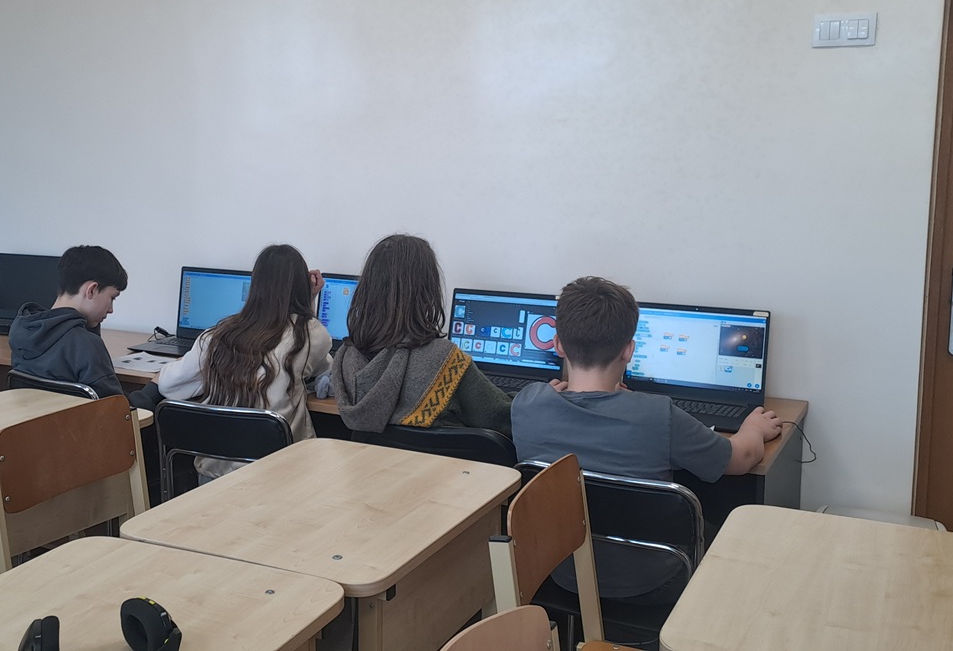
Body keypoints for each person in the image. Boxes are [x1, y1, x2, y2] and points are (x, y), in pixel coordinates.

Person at [512, 276, 783, 604]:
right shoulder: (657, 415)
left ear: (557, 345)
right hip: (651, 582)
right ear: (629, 350)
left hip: (562, 572)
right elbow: (741, 459)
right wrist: (753, 428)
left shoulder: (527, 404)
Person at [155, 244, 332, 481]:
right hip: (279, 475)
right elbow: (323, 368)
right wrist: (309, 301)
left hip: (212, 476)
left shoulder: (216, 336)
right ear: (301, 287)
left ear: (254, 285)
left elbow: (168, 385)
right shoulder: (309, 335)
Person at [330, 234, 511, 435]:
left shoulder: (345, 358)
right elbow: (501, 418)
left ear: (367, 288)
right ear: (426, 291)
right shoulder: (443, 359)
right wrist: (532, 396)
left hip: (370, 456)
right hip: (439, 457)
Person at [7, 245, 127, 397]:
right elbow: (116, 407)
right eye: (112, 298)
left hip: (37, 412)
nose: (111, 309)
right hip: (78, 414)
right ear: (91, 290)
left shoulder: (22, 329)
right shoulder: (85, 344)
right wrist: (152, 389)